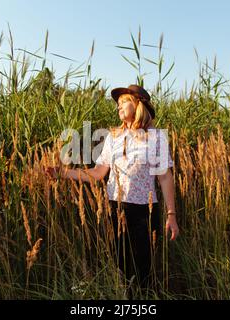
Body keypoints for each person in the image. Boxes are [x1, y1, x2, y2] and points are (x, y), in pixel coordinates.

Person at [45, 84, 179, 294]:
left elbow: (164, 176)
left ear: (139, 105)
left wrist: (171, 214)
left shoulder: (155, 137)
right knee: (121, 265)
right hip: (115, 208)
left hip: (145, 210)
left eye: (124, 102)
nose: (118, 107)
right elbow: (98, 172)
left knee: (144, 270)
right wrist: (63, 173)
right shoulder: (113, 137)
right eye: (118, 104)